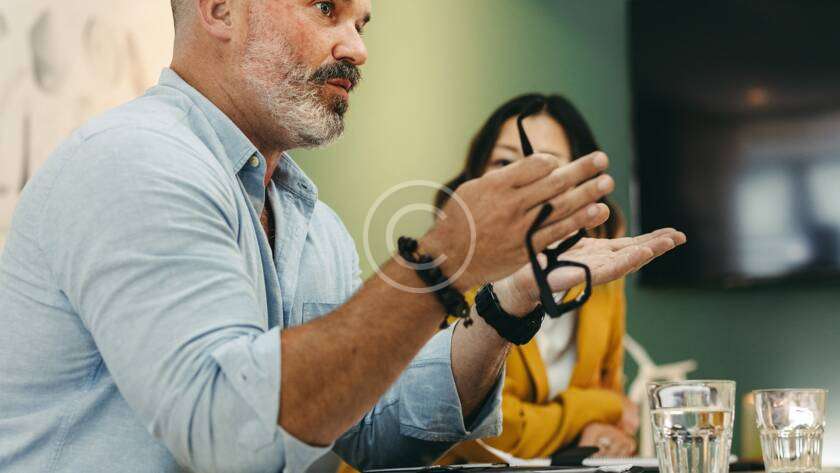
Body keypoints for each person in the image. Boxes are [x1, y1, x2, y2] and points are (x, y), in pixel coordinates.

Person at [0, 1, 684, 472]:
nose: (357, 48)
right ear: (219, 9)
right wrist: (446, 258)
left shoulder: (311, 223)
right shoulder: (135, 162)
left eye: (361, 21)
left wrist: (506, 302)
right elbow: (226, 435)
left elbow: (373, 425)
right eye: (325, 8)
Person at [436, 94, 641, 462]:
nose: (523, 180)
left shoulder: (601, 280)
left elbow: (614, 419)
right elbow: (488, 433)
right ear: (476, 176)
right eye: (504, 162)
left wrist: (603, 425)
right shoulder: (451, 271)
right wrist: (597, 408)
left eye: (547, 165)